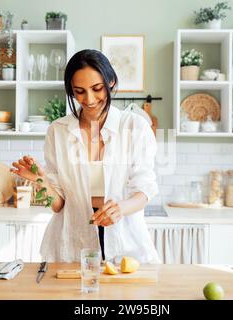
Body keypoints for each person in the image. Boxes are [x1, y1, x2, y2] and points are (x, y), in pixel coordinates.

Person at [11, 49, 159, 264]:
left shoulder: (135, 127)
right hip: (72, 244)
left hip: (125, 243)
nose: (89, 99)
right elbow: (58, 205)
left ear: (111, 83)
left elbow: (145, 190)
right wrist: (39, 181)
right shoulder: (58, 130)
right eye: (79, 91)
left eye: (96, 89)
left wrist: (120, 208)